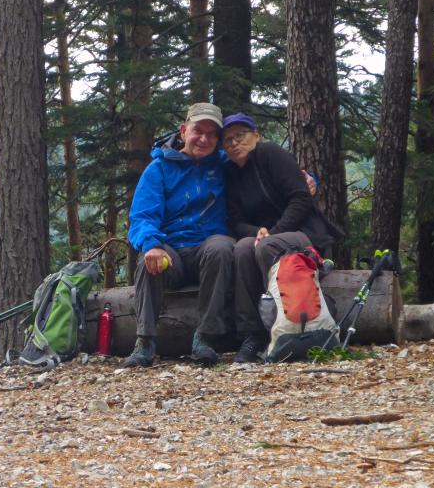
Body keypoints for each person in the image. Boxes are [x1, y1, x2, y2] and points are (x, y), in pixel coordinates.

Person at [222, 112, 343, 363]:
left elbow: (300, 197)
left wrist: (272, 233)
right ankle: (253, 334)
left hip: (304, 234)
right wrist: (256, 233)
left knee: (267, 247)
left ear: (256, 135)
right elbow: (235, 221)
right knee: (243, 249)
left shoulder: (271, 155)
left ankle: (286, 326)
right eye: (228, 140)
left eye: (240, 135)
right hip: (264, 239)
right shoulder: (231, 174)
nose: (234, 143)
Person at [122, 102, 236, 368]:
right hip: (171, 250)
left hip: (207, 249)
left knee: (221, 247)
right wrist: (151, 244)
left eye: (211, 134)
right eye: (198, 131)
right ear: (184, 131)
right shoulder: (159, 169)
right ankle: (145, 342)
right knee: (147, 260)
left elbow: (266, 170)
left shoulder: (225, 166)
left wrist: (306, 178)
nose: (204, 138)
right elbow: (142, 216)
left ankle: (205, 338)